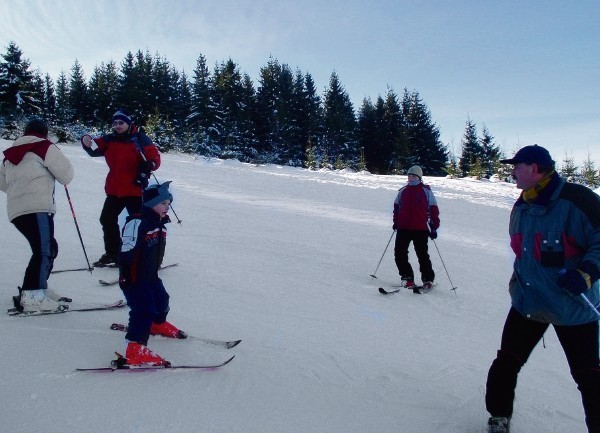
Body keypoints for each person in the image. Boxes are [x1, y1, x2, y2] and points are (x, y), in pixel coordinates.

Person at [485, 145, 600, 433]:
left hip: (572, 306)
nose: (512, 172)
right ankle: (498, 416)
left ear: (535, 168)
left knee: (589, 377)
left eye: (517, 166)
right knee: (506, 363)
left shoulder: (577, 200)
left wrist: (586, 274)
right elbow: (520, 249)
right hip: (529, 302)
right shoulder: (522, 204)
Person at [0, 119, 74, 312]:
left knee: (48, 248)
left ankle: (38, 287)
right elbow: (66, 175)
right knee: (43, 251)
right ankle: (33, 295)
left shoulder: (10, 153)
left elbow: (2, 182)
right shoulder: (44, 147)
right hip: (38, 208)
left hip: (17, 210)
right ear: (44, 132)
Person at [81, 109, 161, 268]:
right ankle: (113, 253)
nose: (118, 126)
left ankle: (143, 256)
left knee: (137, 224)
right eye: (115, 123)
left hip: (134, 189)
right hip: (115, 189)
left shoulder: (139, 138)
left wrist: (148, 165)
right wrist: (86, 140)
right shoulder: (110, 139)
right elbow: (93, 148)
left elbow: (154, 157)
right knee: (107, 219)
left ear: (128, 123)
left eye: (121, 123)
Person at [117, 181, 184, 366]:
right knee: (142, 309)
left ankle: (157, 324)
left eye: (168, 204)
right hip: (134, 277)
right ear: (150, 203)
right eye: (163, 203)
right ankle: (135, 348)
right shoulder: (137, 222)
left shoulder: (159, 223)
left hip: (150, 275)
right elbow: (126, 251)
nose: (167, 207)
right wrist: (126, 275)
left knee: (162, 299)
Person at [392, 165, 440, 290]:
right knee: (399, 253)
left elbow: (433, 209)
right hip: (403, 227)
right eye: (409, 176)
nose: (410, 178)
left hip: (420, 228)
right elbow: (397, 207)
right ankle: (407, 278)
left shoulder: (426, 191)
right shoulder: (403, 191)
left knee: (422, 254)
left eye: (413, 176)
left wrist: (434, 227)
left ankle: (428, 279)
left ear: (419, 177)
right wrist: (396, 221)